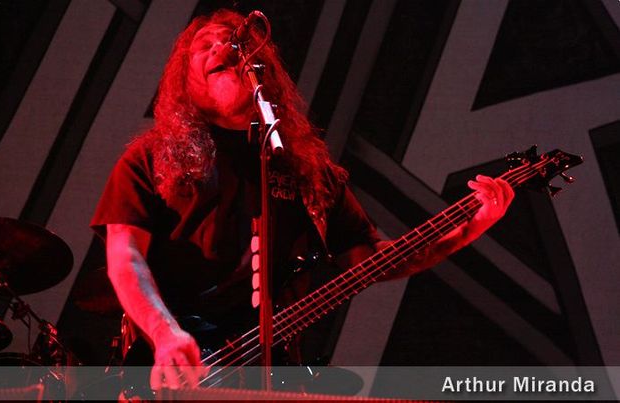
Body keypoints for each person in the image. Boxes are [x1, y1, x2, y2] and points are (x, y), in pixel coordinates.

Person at [91, 9, 514, 391]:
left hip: (272, 372)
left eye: (233, 42)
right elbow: (125, 256)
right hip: (177, 368)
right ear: (184, 80)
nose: (222, 47)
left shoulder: (304, 168)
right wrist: (165, 333)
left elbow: (370, 259)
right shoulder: (152, 158)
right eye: (205, 46)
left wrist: (469, 228)